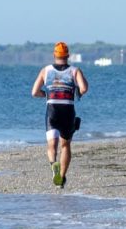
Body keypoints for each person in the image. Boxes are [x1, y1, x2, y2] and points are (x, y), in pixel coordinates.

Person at [31, 41, 88, 188]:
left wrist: (47, 94)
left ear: (54, 55)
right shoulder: (75, 71)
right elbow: (84, 88)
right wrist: (76, 92)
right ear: (68, 55)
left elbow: (34, 92)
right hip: (68, 110)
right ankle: (61, 177)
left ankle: (52, 164)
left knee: (52, 144)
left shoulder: (46, 70)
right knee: (65, 145)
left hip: (52, 110)